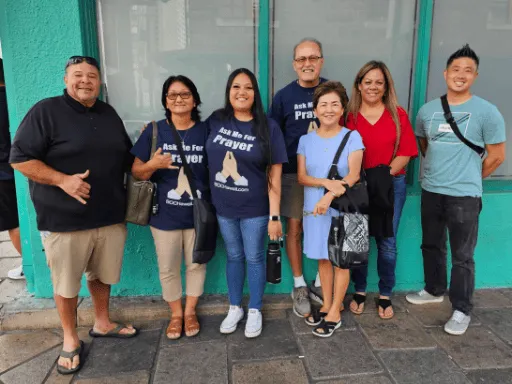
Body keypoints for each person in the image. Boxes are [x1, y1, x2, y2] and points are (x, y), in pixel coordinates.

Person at [10, 56, 138, 375]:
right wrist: (62, 180)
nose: (85, 81)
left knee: (101, 274)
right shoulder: (46, 111)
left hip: (109, 215)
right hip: (64, 219)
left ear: (100, 82)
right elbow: (20, 159)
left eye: (91, 76)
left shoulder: (107, 113)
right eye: (78, 75)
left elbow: (125, 157)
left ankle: (102, 322)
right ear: (66, 80)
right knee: (66, 283)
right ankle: (69, 338)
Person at [406, 44, 506, 336]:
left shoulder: (487, 112)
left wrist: (471, 177)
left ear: (475, 76)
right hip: (432, 191)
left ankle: (461, 309)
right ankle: (434, 288)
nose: (460, 75)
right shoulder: (427, 111)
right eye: (456, 69)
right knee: (432, 245)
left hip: (465, 196)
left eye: (468, 71)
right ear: (445, 73)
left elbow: (497, 156)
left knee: (463, 255)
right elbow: (424, 145)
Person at [206, 68, 287, 338]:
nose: (242, 92)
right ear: (229, 91)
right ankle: (234, 307)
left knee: (253, 257)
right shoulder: (216, 120)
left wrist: (275, 216)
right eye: (236, 87)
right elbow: (191, 135)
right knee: (233, 256)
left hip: (255, 209)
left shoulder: (268, 126)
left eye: (248, 87)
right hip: (223, 207)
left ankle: (254, 309)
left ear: (255, 93)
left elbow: (275, 175)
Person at [131, 75, 208, 340]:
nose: (178, 99)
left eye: (185, 94)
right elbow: (137, 172)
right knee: (168, 268)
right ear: (165, 101)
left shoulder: (206, 130)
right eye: (172, 95)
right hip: (164, 215)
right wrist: (153, 165)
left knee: (196, 265)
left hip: (199, 215)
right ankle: (175, 314)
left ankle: (190, 312)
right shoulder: (154, 131)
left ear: (195, 99)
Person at [345, 61, 418, 319]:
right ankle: (361, 289)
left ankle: (385, 292)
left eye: (379, 82)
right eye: (368, 82)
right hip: (357, 185)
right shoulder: (349, 116)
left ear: (386, 86)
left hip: (390, 184)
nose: (373, 87)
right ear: (359, 85)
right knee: (358, 238)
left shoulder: (398, 114)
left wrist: (382, 176)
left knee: (387, 241)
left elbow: (407, 151)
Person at [297, 81, 364, 337]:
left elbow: (354, 175)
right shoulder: (305, 140)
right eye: (323, 104)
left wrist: (328, 196)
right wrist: (325, 184)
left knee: (341, 261)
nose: (328, 109)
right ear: (315, 110)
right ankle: (326, 303)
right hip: (314, 209)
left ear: (342, 108)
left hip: (343, 208)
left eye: (334, 104)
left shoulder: (352, 137)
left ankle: (335, 310)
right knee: (323, 258)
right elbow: (302, 177)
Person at [268, 38, 327, 316]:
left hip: (328, 178)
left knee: (326, 229)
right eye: (301, 59)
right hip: (293, 175)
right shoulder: (282, 97)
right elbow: (272, 140)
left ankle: (320, 282)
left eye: (312, 58)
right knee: (295, 230)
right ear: (294, 65)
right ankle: (300, 283)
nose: (307, 64)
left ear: (321, 62)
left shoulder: (331, 91)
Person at [0, 59, 23, 278]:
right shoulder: (12, 97)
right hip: (18, 166)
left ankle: (30, 266)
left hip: (3, 171)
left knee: (12, 221)